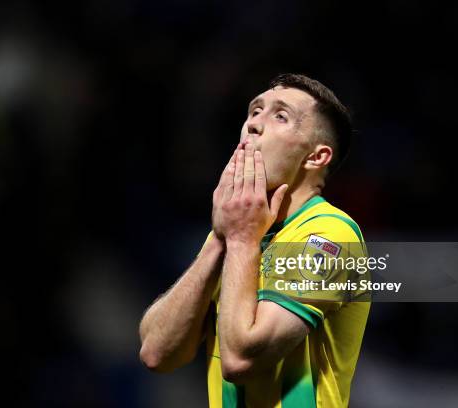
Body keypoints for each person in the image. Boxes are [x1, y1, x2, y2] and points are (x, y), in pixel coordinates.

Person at [139, 73, 370, 407]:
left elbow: (241, 360)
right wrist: (220, 240)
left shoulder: (329, 235)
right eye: (254, 111)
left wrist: (240, 240)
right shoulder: (237, 231)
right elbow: (156, 353)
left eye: (280, 116)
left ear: (316, 157)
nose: (253, 125)